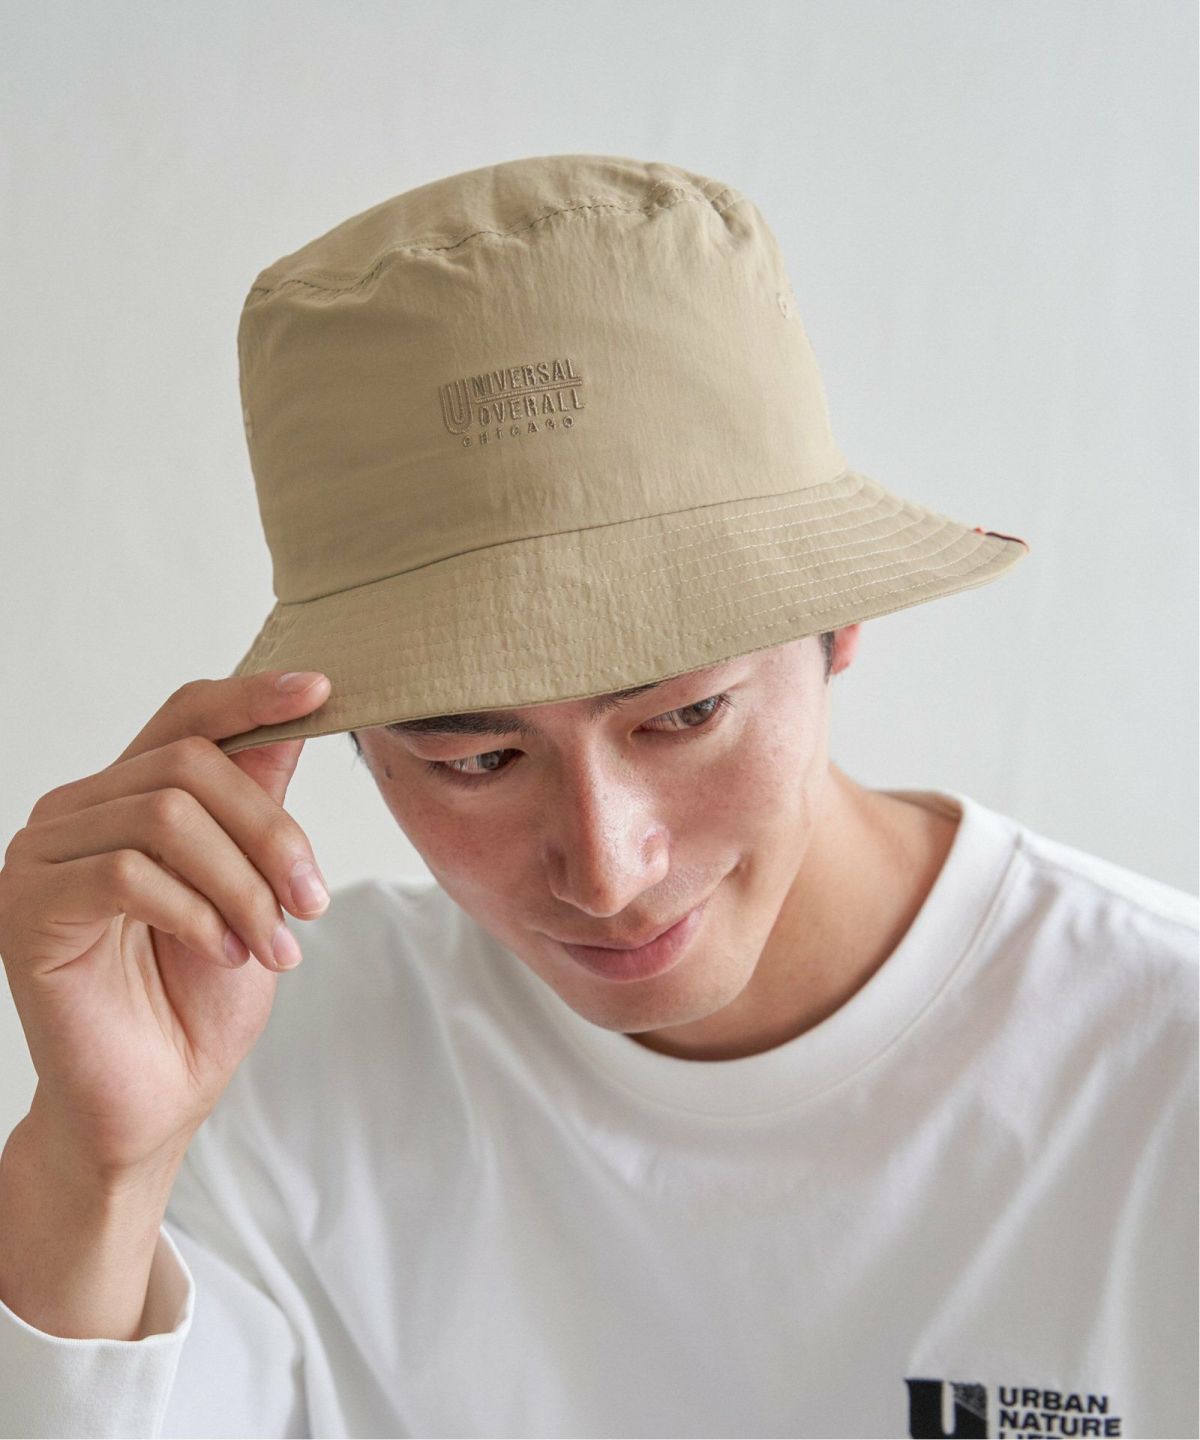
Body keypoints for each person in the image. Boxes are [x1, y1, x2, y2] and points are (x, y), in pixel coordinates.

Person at [0, 154, 1194, 1440]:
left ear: (839, 622)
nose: (609, 870)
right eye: (477, 759)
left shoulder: (1159, 1068)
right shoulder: (273, 1053)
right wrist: (97, 1160)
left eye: (684, 715)